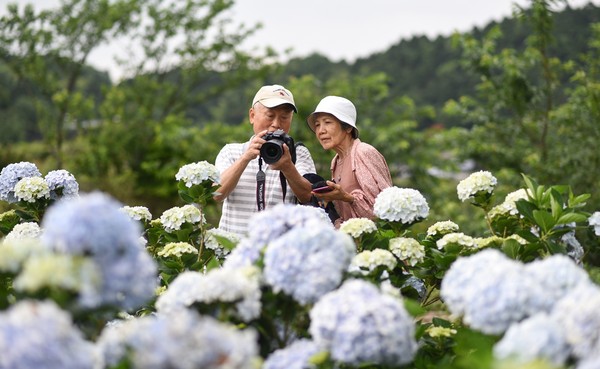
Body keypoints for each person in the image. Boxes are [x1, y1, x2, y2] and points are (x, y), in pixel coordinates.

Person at [214, 84, 316, 235]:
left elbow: (309, 197)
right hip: (233, 252)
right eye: (270, 115)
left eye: (284, 117)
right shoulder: (231, 152)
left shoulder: (298, 153)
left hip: (279, 253)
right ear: (252, 115)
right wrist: (245, 158)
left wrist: (288, 168)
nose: (276, 124)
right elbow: (217, 194)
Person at [306, 95, 392, 227]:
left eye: (327, 122)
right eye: (317, 125)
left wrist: (346, 197)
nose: (321, 131)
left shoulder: (364, 152)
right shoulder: (335, 161)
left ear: (348, 127)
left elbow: (384, 208)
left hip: (374, 242)